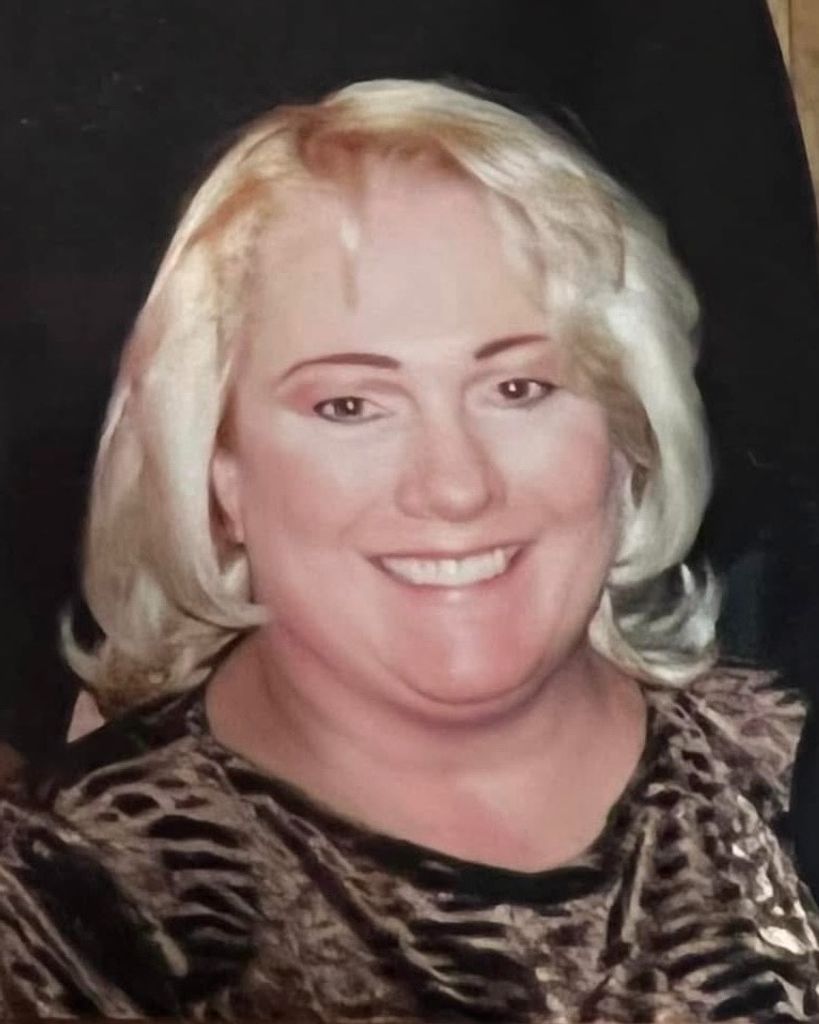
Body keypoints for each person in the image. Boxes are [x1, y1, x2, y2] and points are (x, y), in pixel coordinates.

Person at [0, 79, 816, 1022]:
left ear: (627, 438)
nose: (454, 485)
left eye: (517, 388)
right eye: (349, 405)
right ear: (219, 473)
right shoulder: (72, 902)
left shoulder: (778, 764)